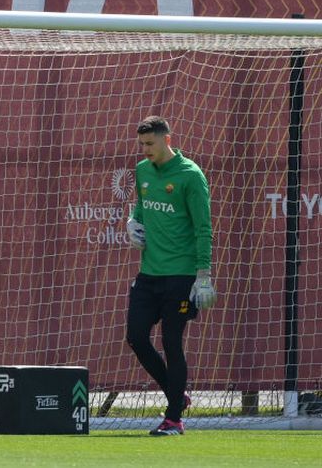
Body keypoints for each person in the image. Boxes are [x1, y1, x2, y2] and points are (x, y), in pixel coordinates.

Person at [124, 115, 215, 436]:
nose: (145, 149)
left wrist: (203, 275)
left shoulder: (191, 176)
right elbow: (140, 208)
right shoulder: (142, 171)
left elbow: (204, 229)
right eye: (142, 144)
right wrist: (131, 223)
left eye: (150, 143)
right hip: (149, 274)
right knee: (136, 336)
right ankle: (177, 396)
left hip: (182, 275)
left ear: (167, 140)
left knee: (171, 342)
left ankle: (173, 418)